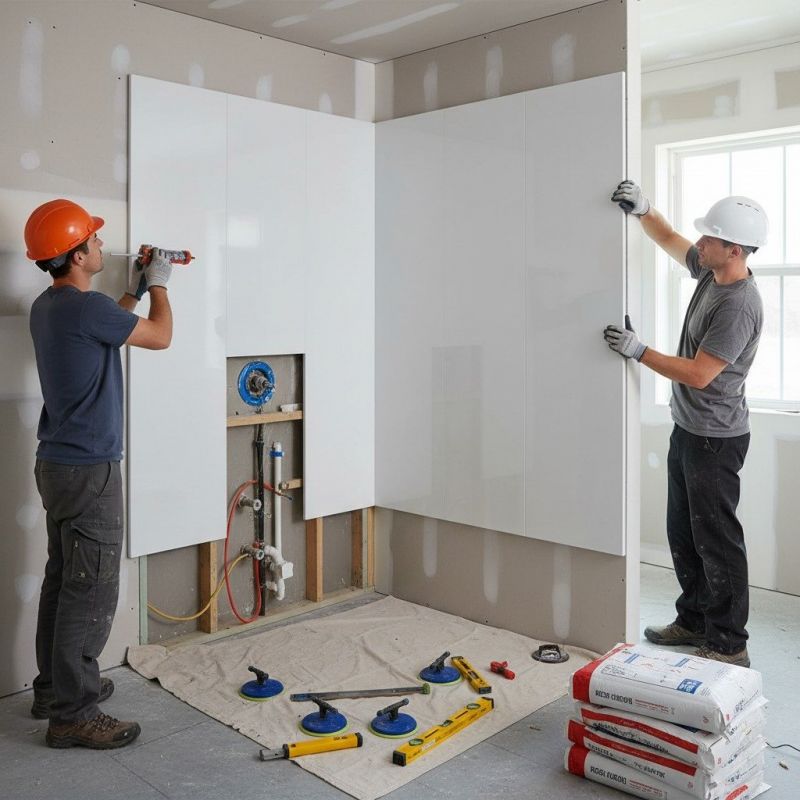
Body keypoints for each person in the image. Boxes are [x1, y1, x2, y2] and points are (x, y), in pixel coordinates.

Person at [24, 198, 174, 748]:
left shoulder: (50, 307)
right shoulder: (86, 312)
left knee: (64, 581)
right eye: (91, 240)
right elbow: (159, 335)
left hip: (56, 466)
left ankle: (52, 690)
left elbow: (107, 322)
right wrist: (159, 283)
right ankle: (74, 714)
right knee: (90, 592)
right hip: (91, 472)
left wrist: (134, 286)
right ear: (78, 252)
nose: (98, 246)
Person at [605, 181, 767, 669]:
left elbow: (699, 374)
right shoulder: (712, 272)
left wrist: (640, 351)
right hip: (689, 430)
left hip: (716, 439)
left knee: (716, 539)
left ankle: (728, 642)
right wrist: (644, 210)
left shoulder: (738, 304)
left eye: (710, 240)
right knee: (684, 532)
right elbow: (674, 240)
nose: (700, 245)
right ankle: (694, 619)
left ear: (733, 250)